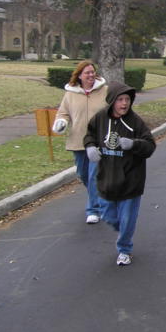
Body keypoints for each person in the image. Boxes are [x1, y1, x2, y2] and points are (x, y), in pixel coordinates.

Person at [84, 81, 156, 266]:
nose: (124, 104)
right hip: (107, 177)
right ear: (112, 101)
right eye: (120, 100)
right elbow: (90, 134)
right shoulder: (100, 118)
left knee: (127, 218)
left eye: (127, 100)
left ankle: (124, 249)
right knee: (109, 216)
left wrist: (134, 144)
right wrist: (90, 146)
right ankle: (122, 229)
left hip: (131, 180)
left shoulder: (135, 122)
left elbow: (150, 146)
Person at [52, 61, 108, 224]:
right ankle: (100, 197)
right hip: (78, 140)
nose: (91, 75)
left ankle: (93, 210)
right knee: (83, 174)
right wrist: (61, 122)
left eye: (92, 72)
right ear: (80, 76)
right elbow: (63, 113)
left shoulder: (104, 90)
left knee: (93, 176)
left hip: (98, 141)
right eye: (87, 73)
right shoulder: (71, 93)